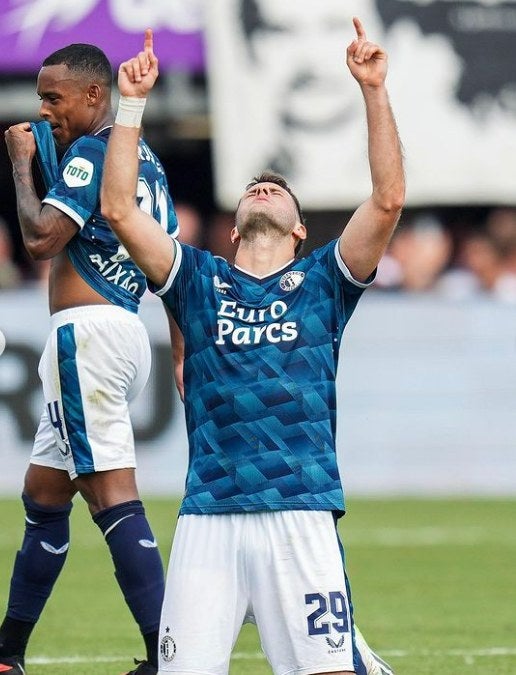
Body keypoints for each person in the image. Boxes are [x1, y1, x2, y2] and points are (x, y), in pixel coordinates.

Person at [102, 19, 403, 675]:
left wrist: (374, 90)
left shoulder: (324, 279)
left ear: (299, 227)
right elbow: (121, 211)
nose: (261, 187)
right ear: (235, 230)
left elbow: (386, 200)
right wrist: (130, 108)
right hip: (210, 517)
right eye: (251, 188)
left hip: (301, 511)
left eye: (277, 188)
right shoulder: (198, 280)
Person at [0, 39, 179, 675]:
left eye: (54, 97)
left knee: (109, 494)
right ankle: (8, 655)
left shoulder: (91, 151)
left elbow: (43, 237)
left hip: (88, 334)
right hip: (123, 330)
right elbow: (171, 270)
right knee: (45, 495)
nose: (43, 109)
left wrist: (22, 164)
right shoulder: (147, 165)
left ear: (94, 95)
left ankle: (169, 655)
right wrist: (181, 358)